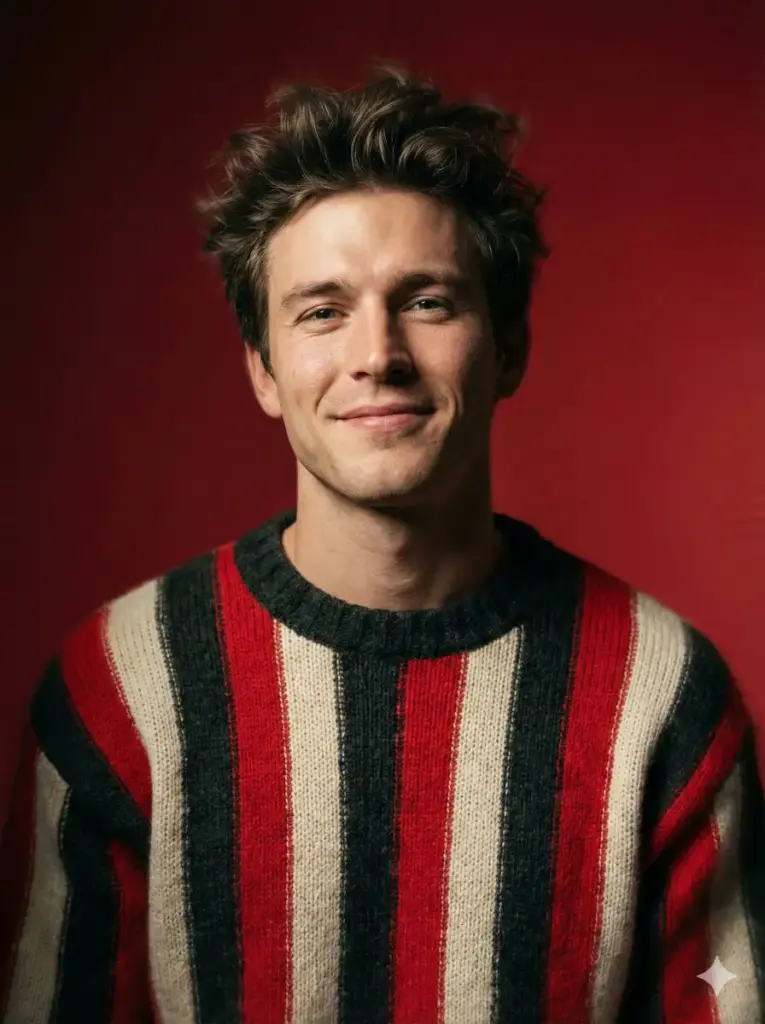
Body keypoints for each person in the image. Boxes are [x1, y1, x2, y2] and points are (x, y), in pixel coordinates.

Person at [1, 65, 763, 1024]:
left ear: (510, 345)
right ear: (263, 370)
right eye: (321, 311)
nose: (377, 355)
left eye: (429, 301)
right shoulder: (119, 689)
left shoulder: (661, 695)